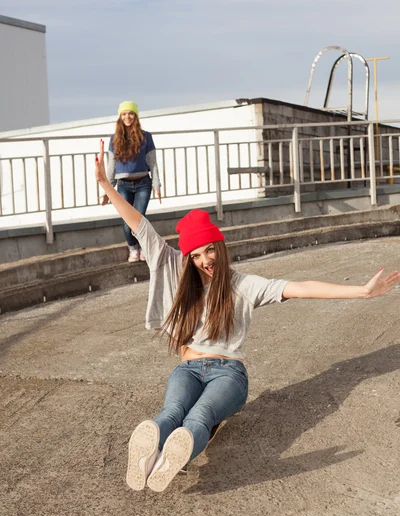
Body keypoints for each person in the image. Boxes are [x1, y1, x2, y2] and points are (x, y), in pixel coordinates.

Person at [95, 140, 400, 493]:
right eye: (196, 255)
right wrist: (106, 185)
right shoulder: (174, 269)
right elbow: (139, 224)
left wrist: (362, 291)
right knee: (179, 414)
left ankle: (167, 454)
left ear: (220, 247)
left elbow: (299, 287)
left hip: (223, 372)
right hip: (196, 370)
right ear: (188, 257)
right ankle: (161, 453)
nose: (205, 260)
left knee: (192, 415)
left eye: (210, 250)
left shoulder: (244, 285)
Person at [100, 101, 162, 263]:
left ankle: (143, 248)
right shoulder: (114, 139)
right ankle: (133, 248)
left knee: (140, 219)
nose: (128, 117)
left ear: (136, 116)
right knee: (127, 221)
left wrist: (156, 185)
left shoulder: (146, 136)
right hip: (123, 186)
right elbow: (111, 167)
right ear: (120, 117)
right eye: (124, 114)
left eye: (131, 113)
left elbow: (152, 162)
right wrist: (108, 190)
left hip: (143, 183)